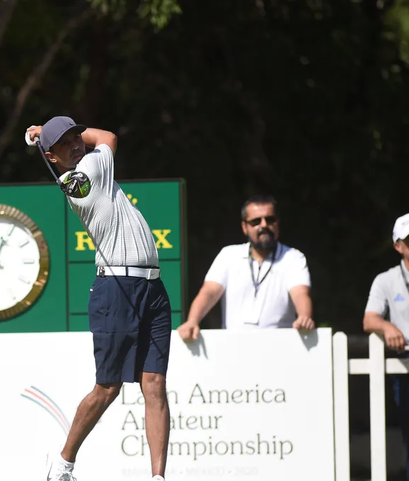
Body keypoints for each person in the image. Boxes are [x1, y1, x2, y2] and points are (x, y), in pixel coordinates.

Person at [26, 117, 171, 481]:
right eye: (65, 143)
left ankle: (158, 477)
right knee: (107, 387)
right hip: (116, 289)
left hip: (152, 286)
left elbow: (93, 140)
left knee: (154, 383)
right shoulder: (89, 170)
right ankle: (62, 463)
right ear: (51, 156)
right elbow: (107, 136)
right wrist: (45, 130)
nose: (76, 144)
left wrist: (45, 130)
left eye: (77, 136)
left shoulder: (83, 167)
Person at [178, 194, 315, 341]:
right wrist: (192, 321)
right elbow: (209, 292)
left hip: (279, 345)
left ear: (278, 223)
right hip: (235, 346)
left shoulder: (293, 257)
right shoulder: (228, 255)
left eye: (270, 219)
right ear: (245, 227)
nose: (264, 225)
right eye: (256, 221)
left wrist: (304, 317)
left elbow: (301, 293)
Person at [363, 213, 409, 481]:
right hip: (403, 366)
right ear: (398, 246)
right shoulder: (386, 280)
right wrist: (387, 327)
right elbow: (369, 319)